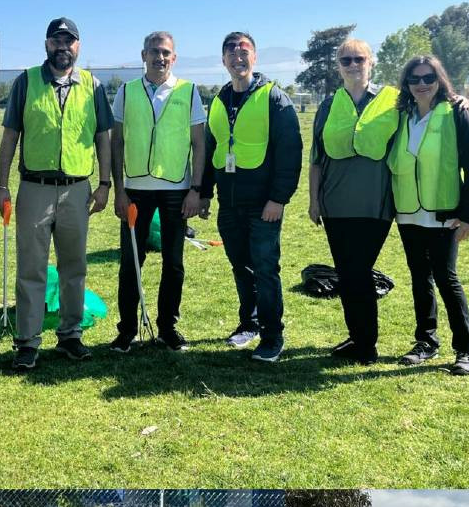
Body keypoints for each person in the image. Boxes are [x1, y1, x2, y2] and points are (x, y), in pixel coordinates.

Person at [0, 18, 114, 372]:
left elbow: (102, 137)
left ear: (79, 45)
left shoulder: (93, 85)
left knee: (74, 265)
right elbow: (10, 136)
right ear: (47, 44)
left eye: (70, 41)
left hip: (78, 190)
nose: (63, 46)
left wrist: (105, 184)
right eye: (56, 40)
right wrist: (1, 185)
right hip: (34, 189)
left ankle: (70, 335)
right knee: (31, 268)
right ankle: (28, 342)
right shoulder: (26, 82)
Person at [199, 30, 302, 363]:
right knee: (240, 267)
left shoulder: (274, 98)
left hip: (264, 205)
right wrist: (203, 194)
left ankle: (273, 336)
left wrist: (279, 199)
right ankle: (250, 324)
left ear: (254, 57)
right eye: (230, 51)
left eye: (243, 50)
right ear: (223, 60)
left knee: (265, 269)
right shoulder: (219, 99)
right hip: (229, 204)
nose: (237, 56)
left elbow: (291, 152)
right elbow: (211, 148)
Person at [109, 31, 205, 353]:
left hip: (176, 190)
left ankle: (168, 328)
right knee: (130, 262)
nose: (159, 58)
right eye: (154, 52)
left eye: (165, 52)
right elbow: (117, 142)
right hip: (135, 189)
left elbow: (199, 144)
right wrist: (119, 190)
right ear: (143, 55)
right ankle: (127, 331)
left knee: (173, 262)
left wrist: (195, 190)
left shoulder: (188, 91)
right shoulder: (126, 91)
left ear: (173, 58)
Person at [387, 55, 469, 376]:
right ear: (407, 84)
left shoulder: (456, 113)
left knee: (446, 277)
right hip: (408, 212)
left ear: (440, 79)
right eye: (415, 79)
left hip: (444, 213)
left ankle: (465, 348)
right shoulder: (400, 116)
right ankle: (426, 341)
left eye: (429, 78)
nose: (422, 84)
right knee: (419, 278)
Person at [309, 37, 397, 363]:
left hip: (376, 204)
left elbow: (427, 107)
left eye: (358, 59)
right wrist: (313, 200)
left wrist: (456, 99)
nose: (352, 65)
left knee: (358, 271)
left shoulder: (393, 101)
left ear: (370, 62)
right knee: (347, 275)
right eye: (345, 60)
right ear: (338, 67)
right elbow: (316, 157)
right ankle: (358, 338)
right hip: (336, 204)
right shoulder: (328, 106)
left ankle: (366, 345)